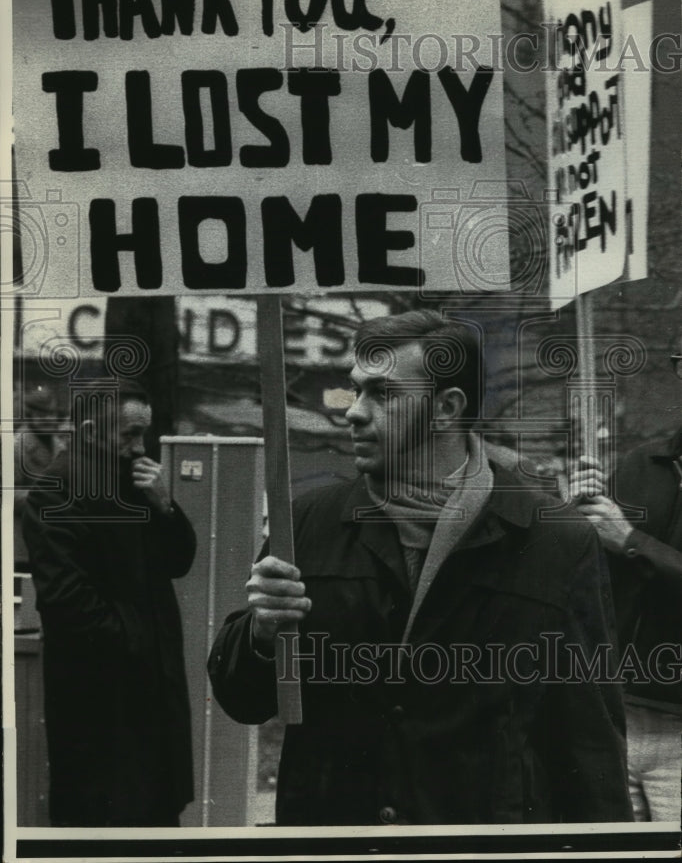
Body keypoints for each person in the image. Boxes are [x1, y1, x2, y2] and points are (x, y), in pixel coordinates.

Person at [208, 309, 633, 825]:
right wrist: (260, 632)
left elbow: (588, 743)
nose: (354, 412)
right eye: (356, 390)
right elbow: (242, 701)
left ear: (447, 408)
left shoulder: (554, 540)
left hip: (476, 849)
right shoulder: (306, 523)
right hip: (335, 843)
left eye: (382, 394)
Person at [23, 379, 196, 827]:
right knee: (103, 819)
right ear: (89, 432)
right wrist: (136, 640)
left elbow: (179, 562)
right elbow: (64, 598)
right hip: (102, 701)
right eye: (129, 435)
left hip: (146, 691)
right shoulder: (57, 487)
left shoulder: (134, 481)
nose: (140, 448)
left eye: (144, 434)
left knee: (153, 817)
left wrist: (166, 506)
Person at [569, 337, 682, 822]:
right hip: (618, 718)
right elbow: (589, 576)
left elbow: (625, 543)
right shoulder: (642, 463)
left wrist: (630, 539)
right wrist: (577, 515)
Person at [14, 385, 66, 568]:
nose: (49, 419)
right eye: (42, 414)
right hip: (23, 544)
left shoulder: (59, 444)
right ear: (29, 415)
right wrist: (46, 496)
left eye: (52, 413)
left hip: (53, 541)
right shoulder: (16, 447)